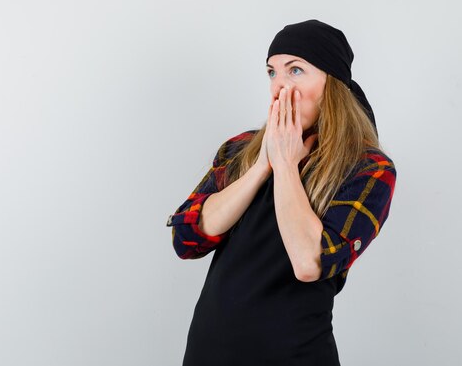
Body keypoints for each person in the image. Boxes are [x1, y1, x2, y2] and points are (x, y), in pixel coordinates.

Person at [166, 19, 397, 365]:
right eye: (272, 73)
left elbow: (309, 262)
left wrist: (287, 166)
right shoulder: (238, 150)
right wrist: (262, 165)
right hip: (208, 353)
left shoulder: (368, 169)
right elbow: (187, 239)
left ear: (331, 85)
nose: (279, 87)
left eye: (296, 71)